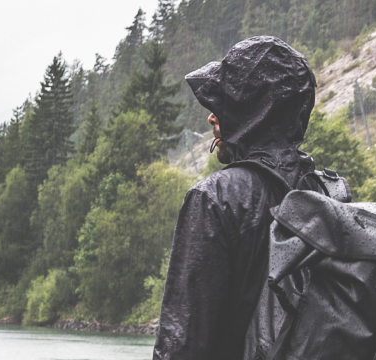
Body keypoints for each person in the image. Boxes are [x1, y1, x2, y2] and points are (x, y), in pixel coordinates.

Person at [154, 36, 320, 360]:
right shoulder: (327, 193)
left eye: (225, 103)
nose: (211, 117)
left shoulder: (214, 199)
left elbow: (181, 346)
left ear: (254, 111)